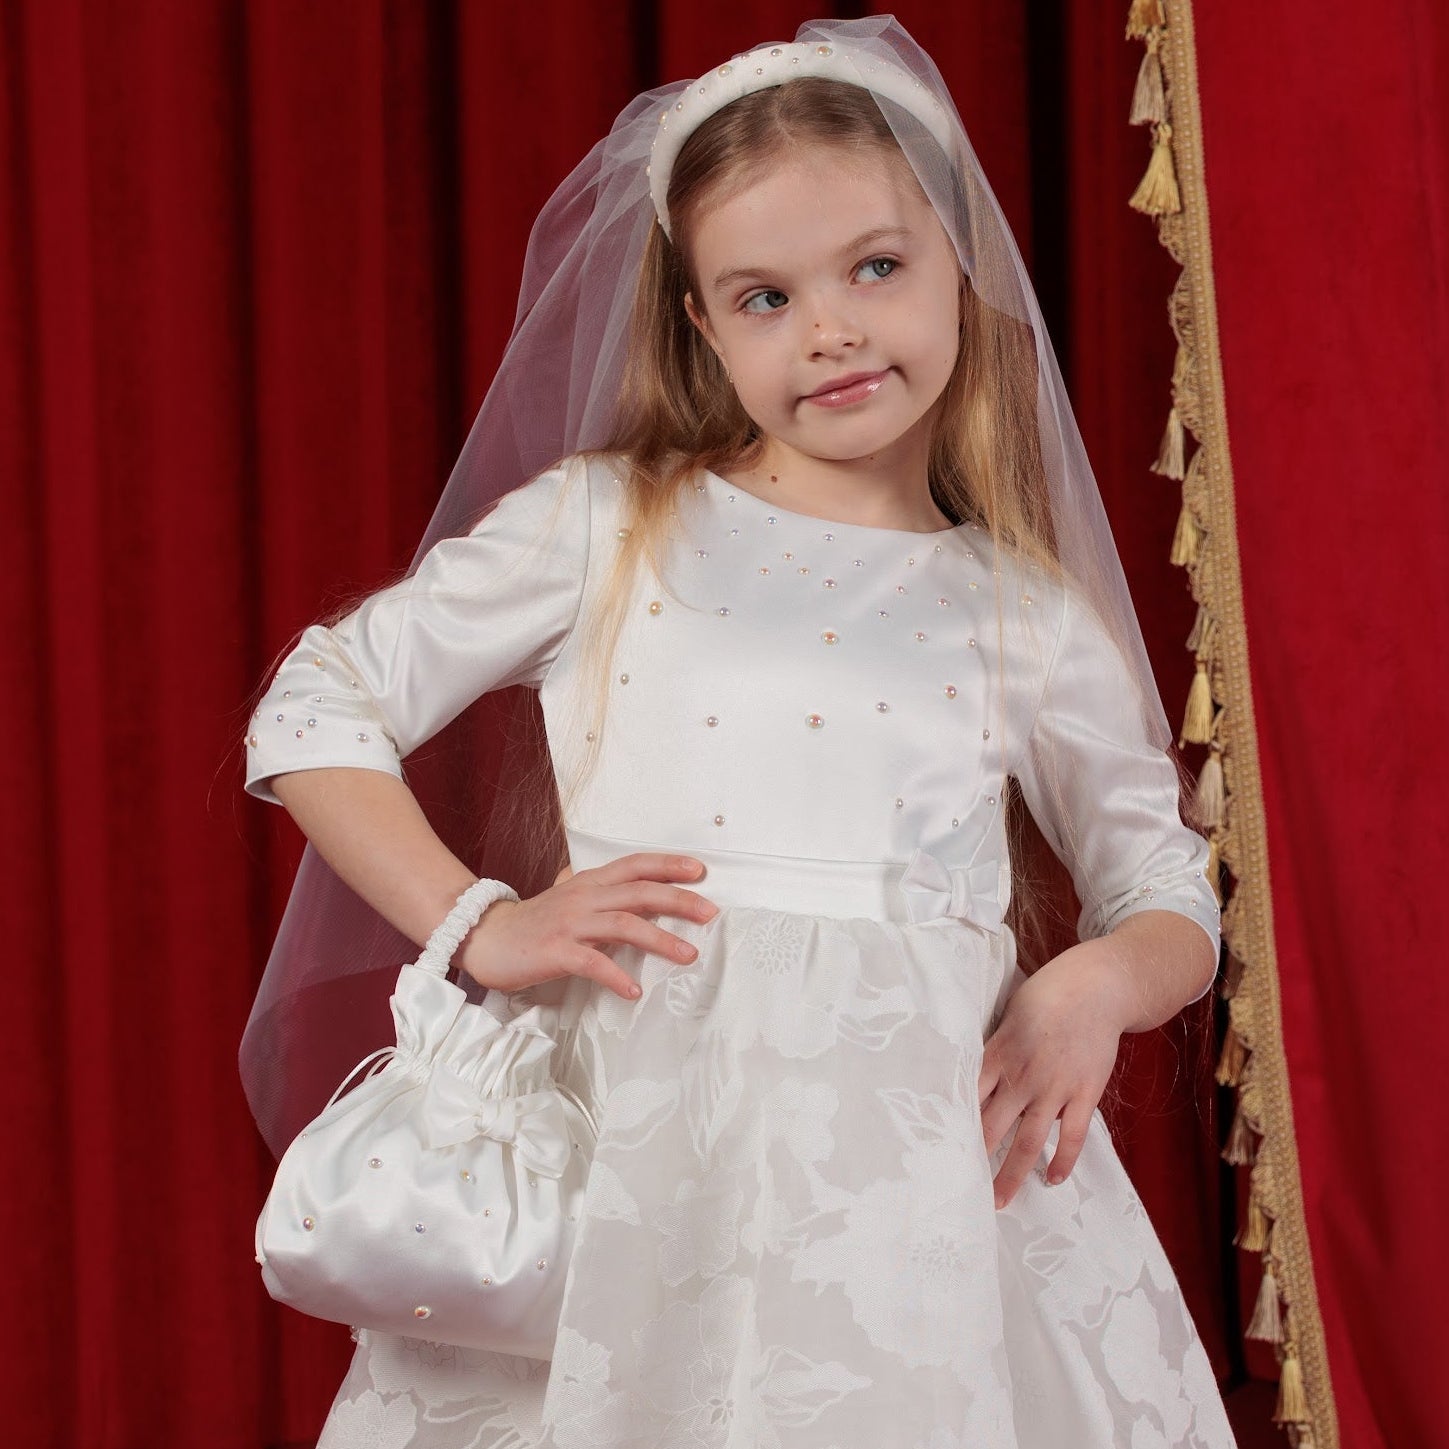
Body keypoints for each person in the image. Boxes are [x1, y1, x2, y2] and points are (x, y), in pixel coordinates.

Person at [242, 16, 1237, 1447]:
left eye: (875, 267)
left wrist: (1093, 983)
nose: (830, 329)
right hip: (646, 1166)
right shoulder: (610, 526)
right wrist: (479, 920)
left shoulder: (1025, 616)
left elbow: (1167, 887)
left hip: (918, 1202)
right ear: (704, 328)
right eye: (764, 296)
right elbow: (316, 701)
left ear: (960, 261)